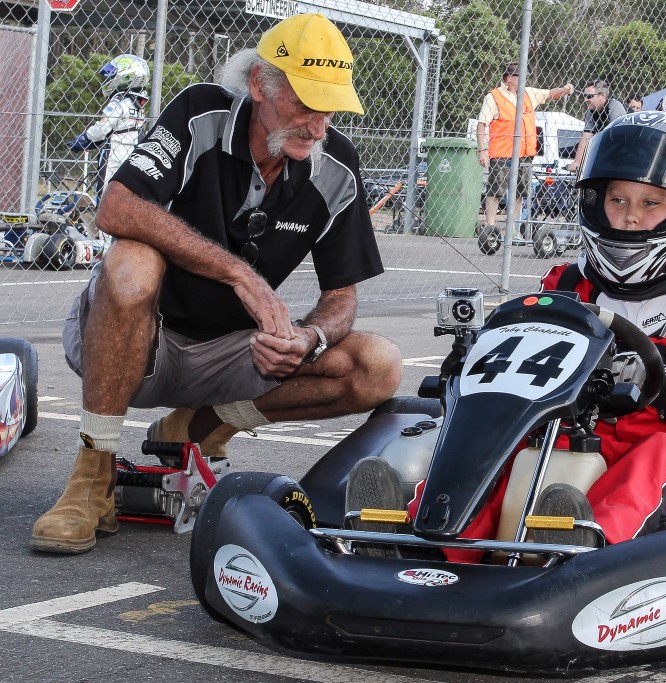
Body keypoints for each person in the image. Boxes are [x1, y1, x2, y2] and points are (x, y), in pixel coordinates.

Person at [30, 13, 403, 555]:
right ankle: (94, 475)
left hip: (230, 355)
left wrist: (308, 339)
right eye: (304, 105)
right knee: (133, 259)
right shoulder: (200, 112)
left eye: (330, 109)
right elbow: (116, 207)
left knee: (378, 365)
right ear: (259, 85)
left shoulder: (336, 165)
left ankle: (197, 427)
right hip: (135, 339)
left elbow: (341, 297)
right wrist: (240, 275)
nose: (318, 126)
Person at [347, 114, 666, 554]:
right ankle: (420, 541)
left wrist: (664, 387)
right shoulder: (567, 285)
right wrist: (473, 365)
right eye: (618, 200)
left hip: (659, 447)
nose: (628, 218)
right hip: (558, 434)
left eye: (650, 204)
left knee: (659, 456)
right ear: (595, 202)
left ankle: (581, 544)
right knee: (499, 449)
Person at [476, 62, 574, 233]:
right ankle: (490, 228)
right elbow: (482, 124)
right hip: (502, 153)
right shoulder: (493, 97)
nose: (524, 80)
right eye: (520, 77)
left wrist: (565, 89)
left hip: (524, 154)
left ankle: (510, 229)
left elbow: (550, 93)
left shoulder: (528, 93)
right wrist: (482, 150)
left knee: (520, 191)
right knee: (495, 191)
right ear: (508, 78)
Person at [66, 54, 150, 239]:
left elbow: (103, 128)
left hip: (114, 153)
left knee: (105, 196)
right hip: (132, 151)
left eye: (113, 76)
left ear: (126, 76)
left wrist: (83, 138)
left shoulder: (119, 101)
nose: (109, 80)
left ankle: (104, 243)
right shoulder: (138, 102)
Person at [568, 80, 627, 173]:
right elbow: (586, 136)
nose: (585, 100)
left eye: (589, 96)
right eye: (584, 96)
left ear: (602, 96)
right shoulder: (590, 112)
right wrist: (577, 162)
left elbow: (619, 138)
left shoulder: (615, 106)